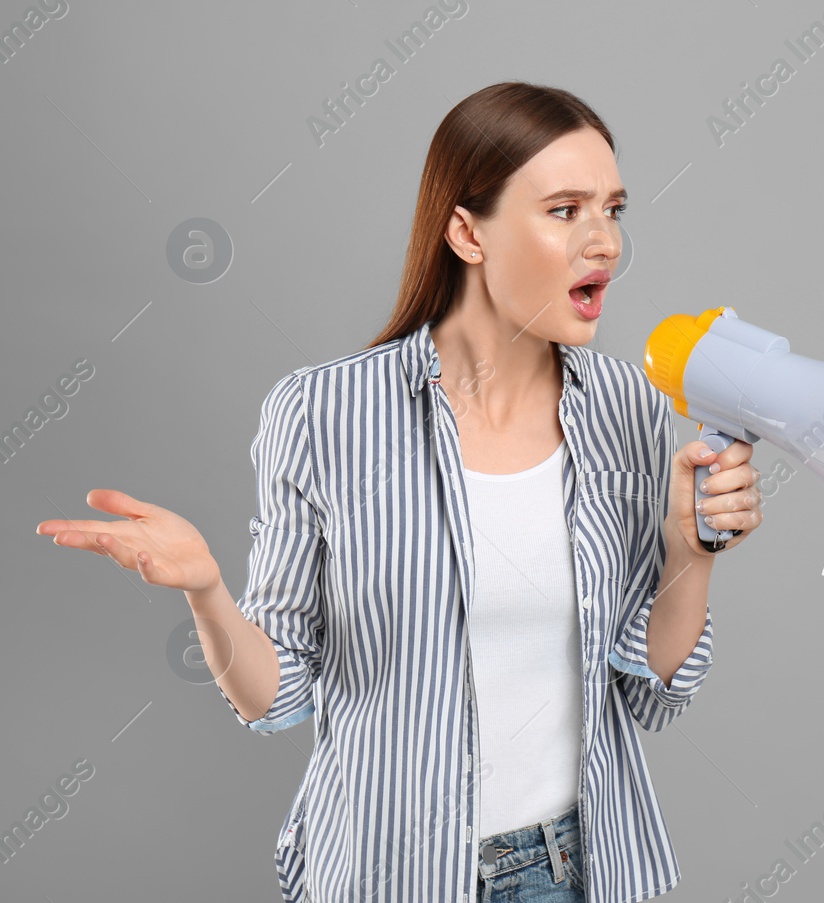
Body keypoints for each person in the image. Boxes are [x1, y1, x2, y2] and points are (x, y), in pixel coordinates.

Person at [35, 82, 763, 903]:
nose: (606, 244)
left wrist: (690, 552)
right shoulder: (322, 412)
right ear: (466, 231)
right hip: (391, 873)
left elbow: (650, 687)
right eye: (565, 211)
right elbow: (278, 698)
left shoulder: (626, 407)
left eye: (615, 210)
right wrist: (208, 592)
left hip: (579, 871)